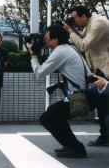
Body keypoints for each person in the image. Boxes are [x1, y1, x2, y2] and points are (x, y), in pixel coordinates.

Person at [30, 25, 90, 158]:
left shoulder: (60, 52)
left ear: (55, 40)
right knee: (54, 114)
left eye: (45, 38)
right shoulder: (69, 48)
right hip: (87, 93)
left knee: (48, 118)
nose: (43, 40)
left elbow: (39, 73)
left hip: (81, 97)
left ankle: (76, 148)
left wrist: (33, 54)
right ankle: (72, 145)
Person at [63, 5, 109, 147]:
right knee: (102, 105)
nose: (73, 21)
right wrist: (73, 30)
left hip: (106, 69)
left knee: (105, 104)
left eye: (74, 18)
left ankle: (106, 136)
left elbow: (84, 45)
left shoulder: (98, 23)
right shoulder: (91, 23)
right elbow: (83, 38)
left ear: (83, 16)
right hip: (99, 69)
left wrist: (71, 31)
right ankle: (105, 136)